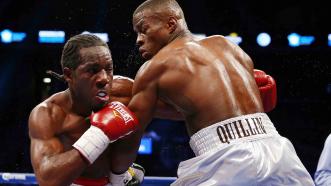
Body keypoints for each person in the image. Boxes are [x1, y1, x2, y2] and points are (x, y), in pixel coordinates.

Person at [109, 0, 315, 185]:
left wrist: (118, 176)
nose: (138, 39)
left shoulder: (155, 67)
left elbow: (131, 133)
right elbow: (199, 110)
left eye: (144, 30)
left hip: (226, 161)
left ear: (171, 24)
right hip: (280, 152)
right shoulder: (227, 46)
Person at [29, 34, 147, 186]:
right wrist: (98, 135)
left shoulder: (124, 92)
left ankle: (122, 175)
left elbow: (179, 106)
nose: (104, 78)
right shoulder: (48, 114)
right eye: (93, 70)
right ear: (69, 75)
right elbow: (47, 180)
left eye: (109, 69)